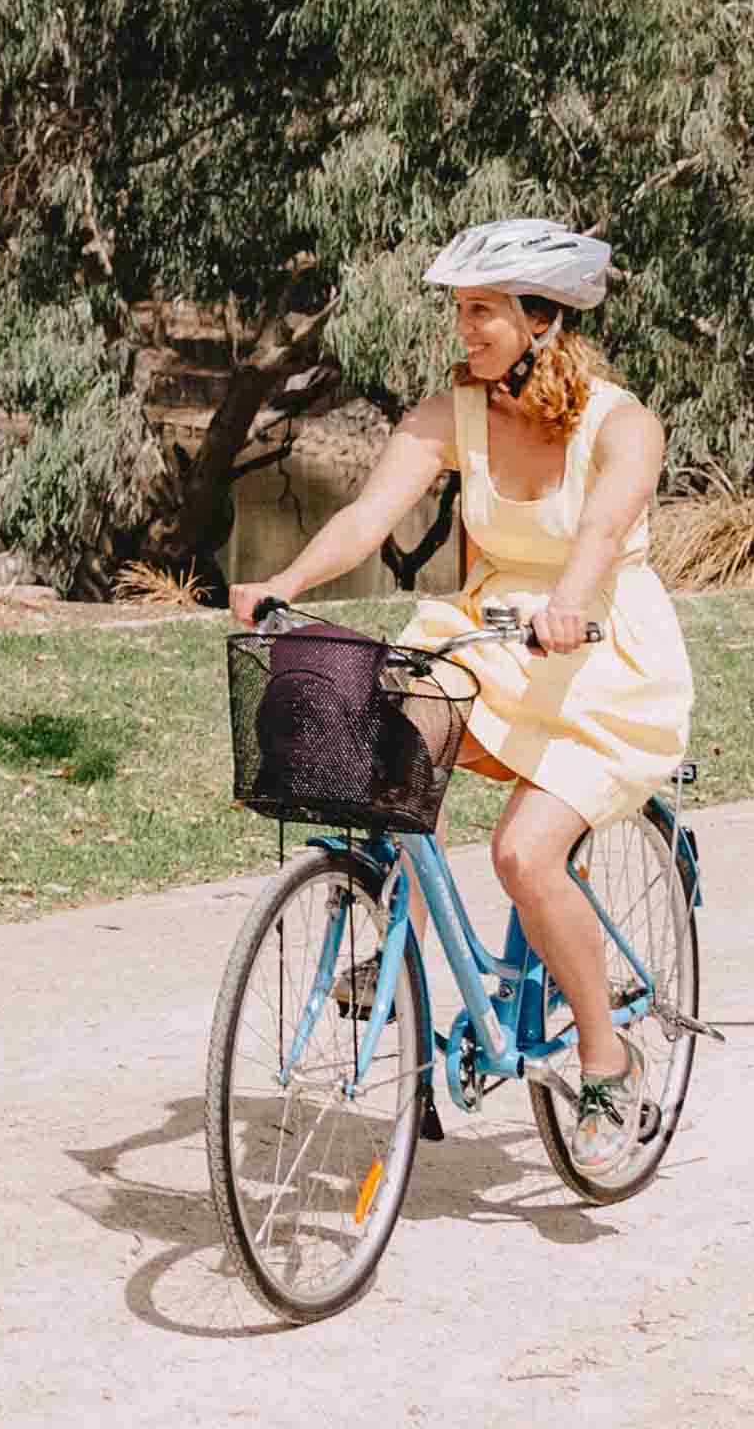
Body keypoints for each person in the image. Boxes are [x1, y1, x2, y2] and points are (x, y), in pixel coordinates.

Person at [230, 218, 695, 1139]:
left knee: (523, 854)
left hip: (598, 650)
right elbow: (367, 514)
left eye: (482, 311)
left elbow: (599, 535)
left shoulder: (624, 423)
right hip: (492, 632)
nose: (464, 330)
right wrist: (283, 582)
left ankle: (606, 1055)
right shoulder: (453, 414)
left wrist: (564, 604)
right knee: (393, 726)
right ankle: (386, 916)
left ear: (544, 319)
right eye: (460, 311)